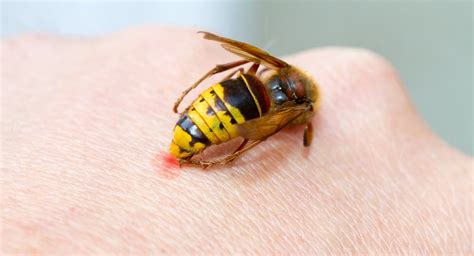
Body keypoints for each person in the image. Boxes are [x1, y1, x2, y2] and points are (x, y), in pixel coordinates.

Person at [2, 27, 471, 254]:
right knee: (258, 131)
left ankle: (199, 124)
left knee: (251, 112)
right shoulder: (296, 113)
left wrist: (197, 89)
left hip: (214, 104)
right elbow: (263, 131)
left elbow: (233, 67)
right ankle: (210, 148)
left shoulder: (269, 71)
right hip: (223, 115)